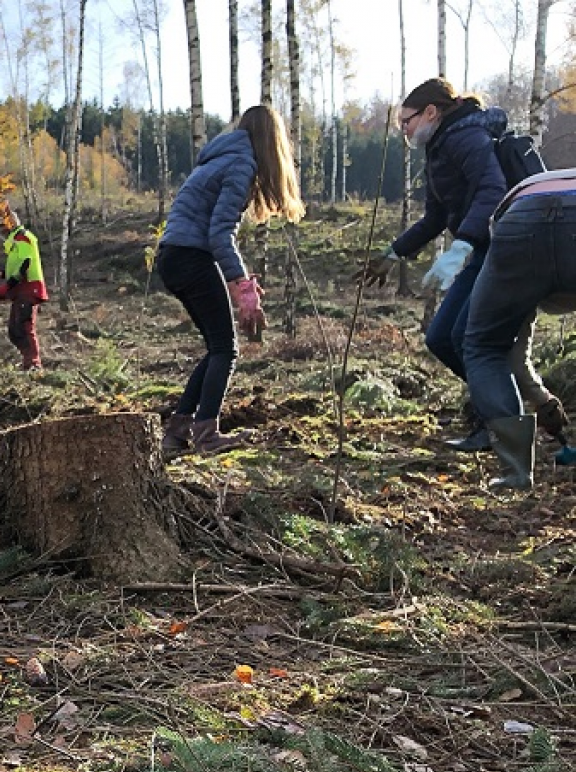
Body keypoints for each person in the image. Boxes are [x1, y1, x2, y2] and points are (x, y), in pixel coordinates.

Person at [352, 79, 566, 453]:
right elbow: (435, 217)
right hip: (482, 249)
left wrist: (460, 247)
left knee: (469, 339)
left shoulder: (466, 137)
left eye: (407, 121)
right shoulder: (439, 148)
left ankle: (499, 427)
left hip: (504, 249)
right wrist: (393, 253)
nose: (404, 130)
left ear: (431, 112)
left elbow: (491, 189)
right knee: (441, 338)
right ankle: (501, 408)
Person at [155, 104, 304, 455]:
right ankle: (207, 434)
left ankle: (177, 434)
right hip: (191, 256)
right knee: (226, 348)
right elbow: (219, 234)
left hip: (172, 257)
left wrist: (238, 279)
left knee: (216, 345)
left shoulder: (219, 158)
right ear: (272, 140)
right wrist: (243, 289)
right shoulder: (241, 164)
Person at [461, 168, 576, 489]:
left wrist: (541, 399)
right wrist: (543, 400)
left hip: (519, 217)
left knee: (485, 345)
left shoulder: (520, 257)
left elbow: (510, 351)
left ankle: (516, 473)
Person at [0, 223, 49, 369]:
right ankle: (27, 361)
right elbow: (17, 266)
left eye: (1, 228)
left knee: (24, 327)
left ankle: (34, 364)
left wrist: (7, 286)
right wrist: (4, 275)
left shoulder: (22, 238)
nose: (0, 233)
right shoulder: (15, 241)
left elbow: (25, 264)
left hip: (29, 288)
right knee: (14, 330)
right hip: (20, 290)